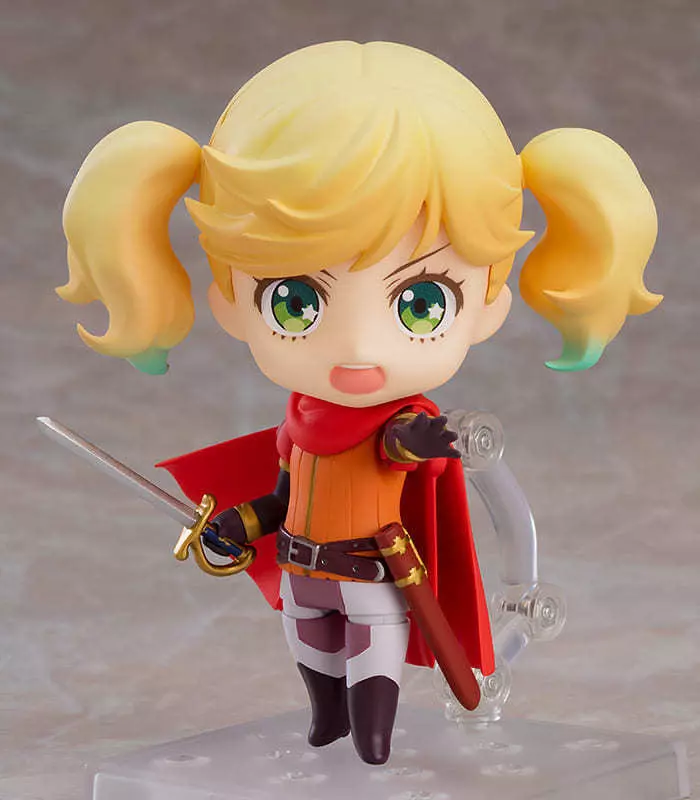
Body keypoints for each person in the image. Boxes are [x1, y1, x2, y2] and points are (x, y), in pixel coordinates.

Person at [58, 41, 660, 764]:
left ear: (488, 303)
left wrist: (428, 442)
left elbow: (400, 445)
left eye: (419, 303)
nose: (357, 348)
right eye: (295, 301)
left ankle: (373, 743)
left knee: (373, 654)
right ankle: (327, 722)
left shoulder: (400, 424)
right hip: (304, 568)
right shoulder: (298, 425)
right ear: (229, 300)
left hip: (375, 569)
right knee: (310, 645)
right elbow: (284, 498)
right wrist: (236, 525)